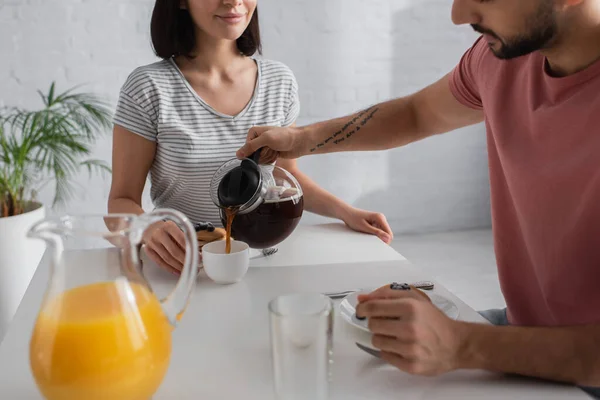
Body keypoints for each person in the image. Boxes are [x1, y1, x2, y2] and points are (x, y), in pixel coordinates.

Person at [236, 0, 600, 396]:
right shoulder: (502, 56)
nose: (459, 15)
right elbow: (417, 113)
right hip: (522, 330)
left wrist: (462, 344)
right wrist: (300, 140)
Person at [108, 0, 394, 275]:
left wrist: (347, 212)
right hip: (183, 268)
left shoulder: (279, 81)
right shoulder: (148, 88)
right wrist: (145, 226)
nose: (233, 1)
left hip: (263, 262)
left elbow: (284, 177)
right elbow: (120, 203)